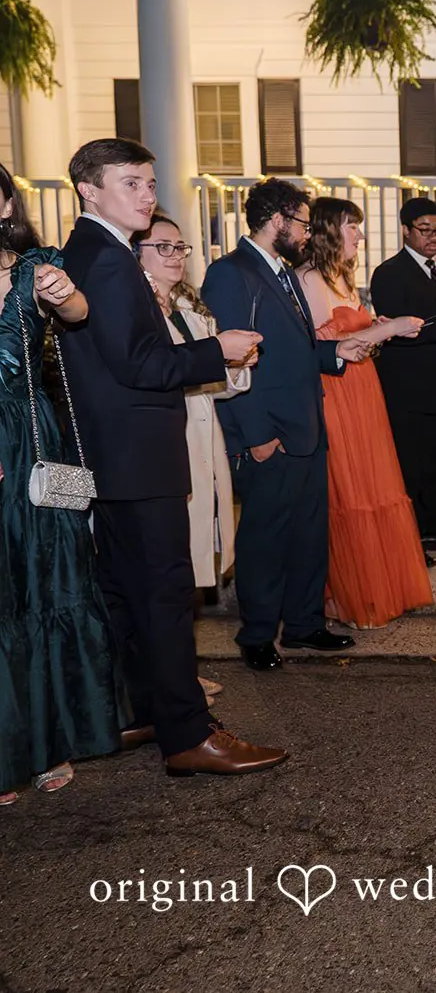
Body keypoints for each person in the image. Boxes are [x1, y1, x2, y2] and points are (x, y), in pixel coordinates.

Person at [61, 139, 286, 775]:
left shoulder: (95, 252)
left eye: (151, 183)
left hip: (118, 455)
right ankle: (188, 735)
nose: (148, 195)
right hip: (136, 452)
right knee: (161, 593)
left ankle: (142, 712)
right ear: (89, 189)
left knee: (128, 593)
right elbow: (140, 365)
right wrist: (220, 349)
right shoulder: (106, 260)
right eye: (131, 183)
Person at [204, 178, 374, 672]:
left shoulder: (283, 272)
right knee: (265, 539)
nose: (306, 233)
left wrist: (336, 353)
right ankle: (257, 634)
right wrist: (256, 436)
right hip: (270, 433)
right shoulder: (230, 273)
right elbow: (234, 362)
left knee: (307, 533)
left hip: (306, 427)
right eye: (301, 222)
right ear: (276, 219)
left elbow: (291, 350)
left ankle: (303, 624)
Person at [0, 161, 119, 804]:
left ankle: (51, 742)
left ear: (5, 205)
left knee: (51, 584)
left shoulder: (37, 264)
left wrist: (62, 291)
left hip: (40, 445)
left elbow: (76, 313)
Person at [296, 197, 433, 628]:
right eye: (351, 226)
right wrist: (388, 328)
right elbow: (318, 347)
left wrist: (377, 327)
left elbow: (355, 338)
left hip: (364, 389)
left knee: (376, 487)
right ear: (326, 232)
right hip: (335, 395)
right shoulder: (309, 279)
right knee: (349, 492)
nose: (359, 235)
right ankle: (349, 599)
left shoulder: (343, 278)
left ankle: (382, 590)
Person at [137, 213, 249, 596]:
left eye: (180, 247)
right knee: (168, 561)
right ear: (136, 256)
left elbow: (209, 386)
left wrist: (234, 365)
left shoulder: (190, 313)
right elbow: (158, 375)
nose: (175, 255)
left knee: (194, 552)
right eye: (162, 247)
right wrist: (219, 355)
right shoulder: (138, 314)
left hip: (202, 439)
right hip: (165, 443)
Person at [368, 197, 436, 556]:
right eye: (425, 230)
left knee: (433, 466)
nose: (433, 237)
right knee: (410, 469)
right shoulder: (388, 273)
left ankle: (432, 529)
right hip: (408, 390)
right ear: (406, 230)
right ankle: (408, 541)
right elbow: (392, 328)